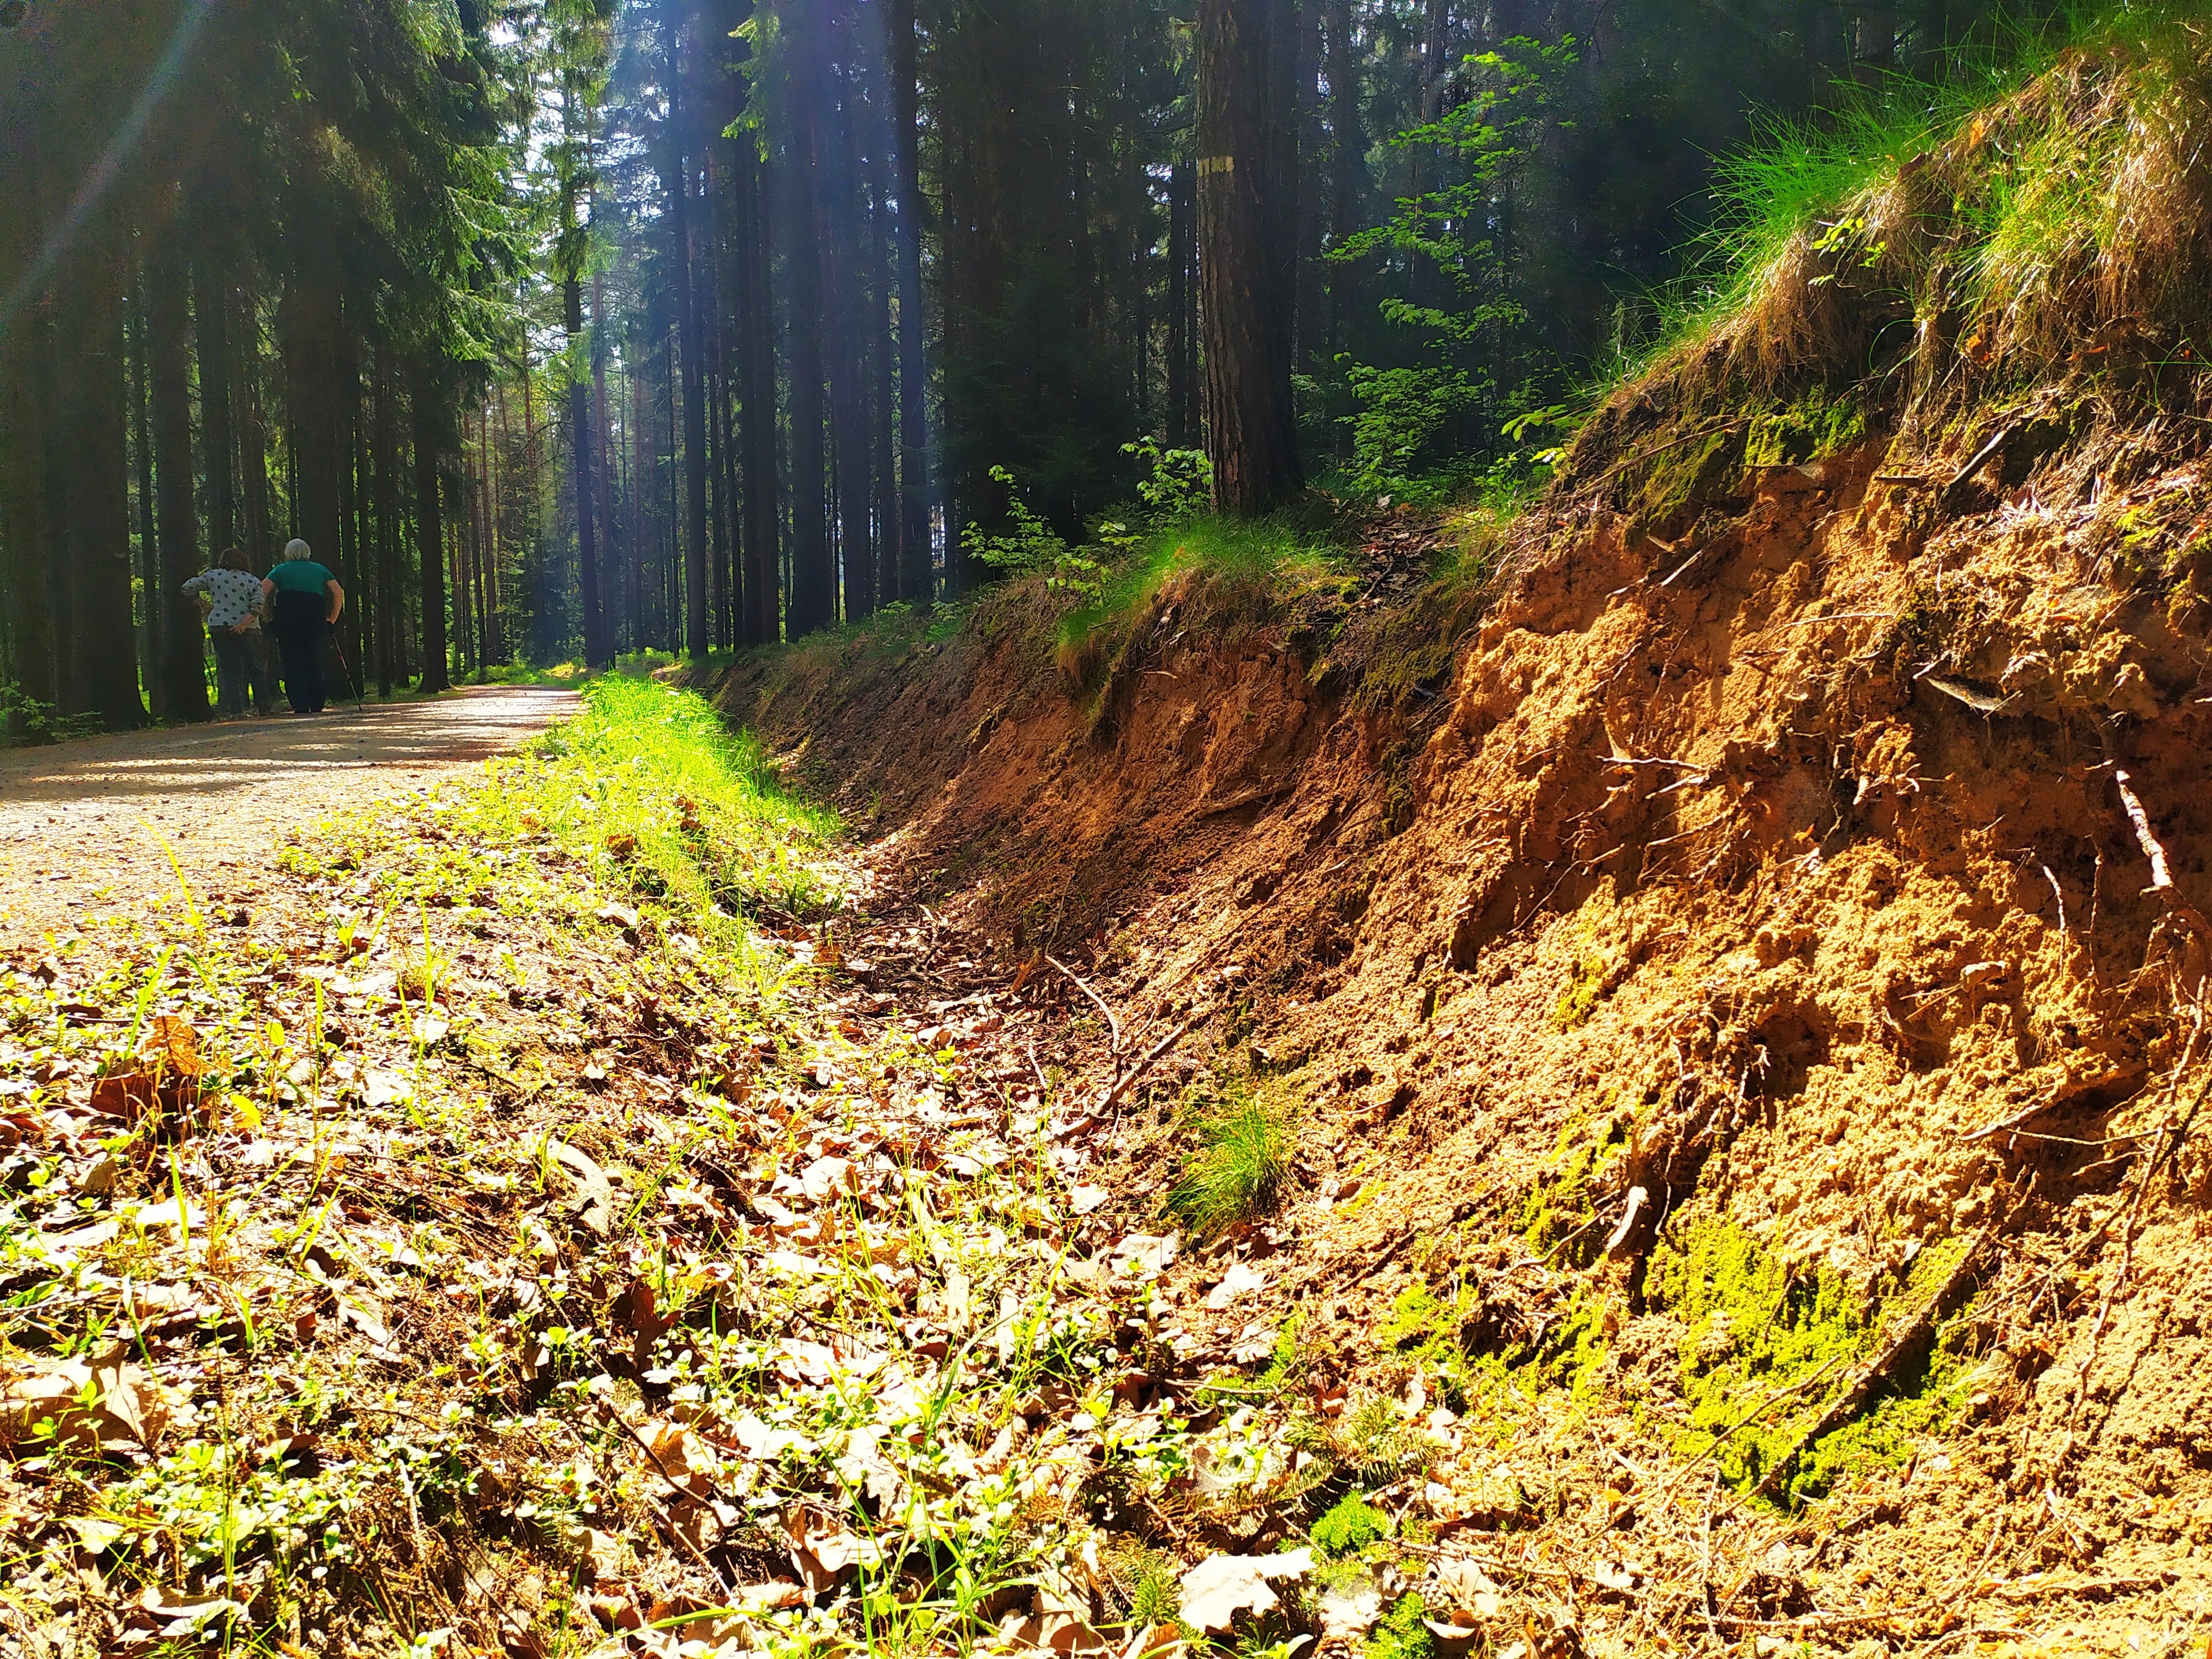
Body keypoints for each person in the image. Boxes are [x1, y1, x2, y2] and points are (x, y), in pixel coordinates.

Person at [262, 538, 346, 715]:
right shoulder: (320, 569)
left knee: (292, 661)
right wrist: (332, 619)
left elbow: (262, 591)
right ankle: (316, 702)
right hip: (313, 618)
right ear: (308, 552)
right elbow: (338, 592)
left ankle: (299, 704)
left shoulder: (280, 570)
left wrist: (267, 616)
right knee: (313, 659)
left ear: (288, 553)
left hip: (287, 619)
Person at [180, 547, 265, 719]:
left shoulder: (213, 576)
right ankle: (263, 706)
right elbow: (258, 605)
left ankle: (236, 710)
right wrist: (243, 624)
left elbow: (187, 587)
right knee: (256, 667)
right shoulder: (252, 580)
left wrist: (203, 605)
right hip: (249, 629)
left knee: (229, 668)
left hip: (220, 625)